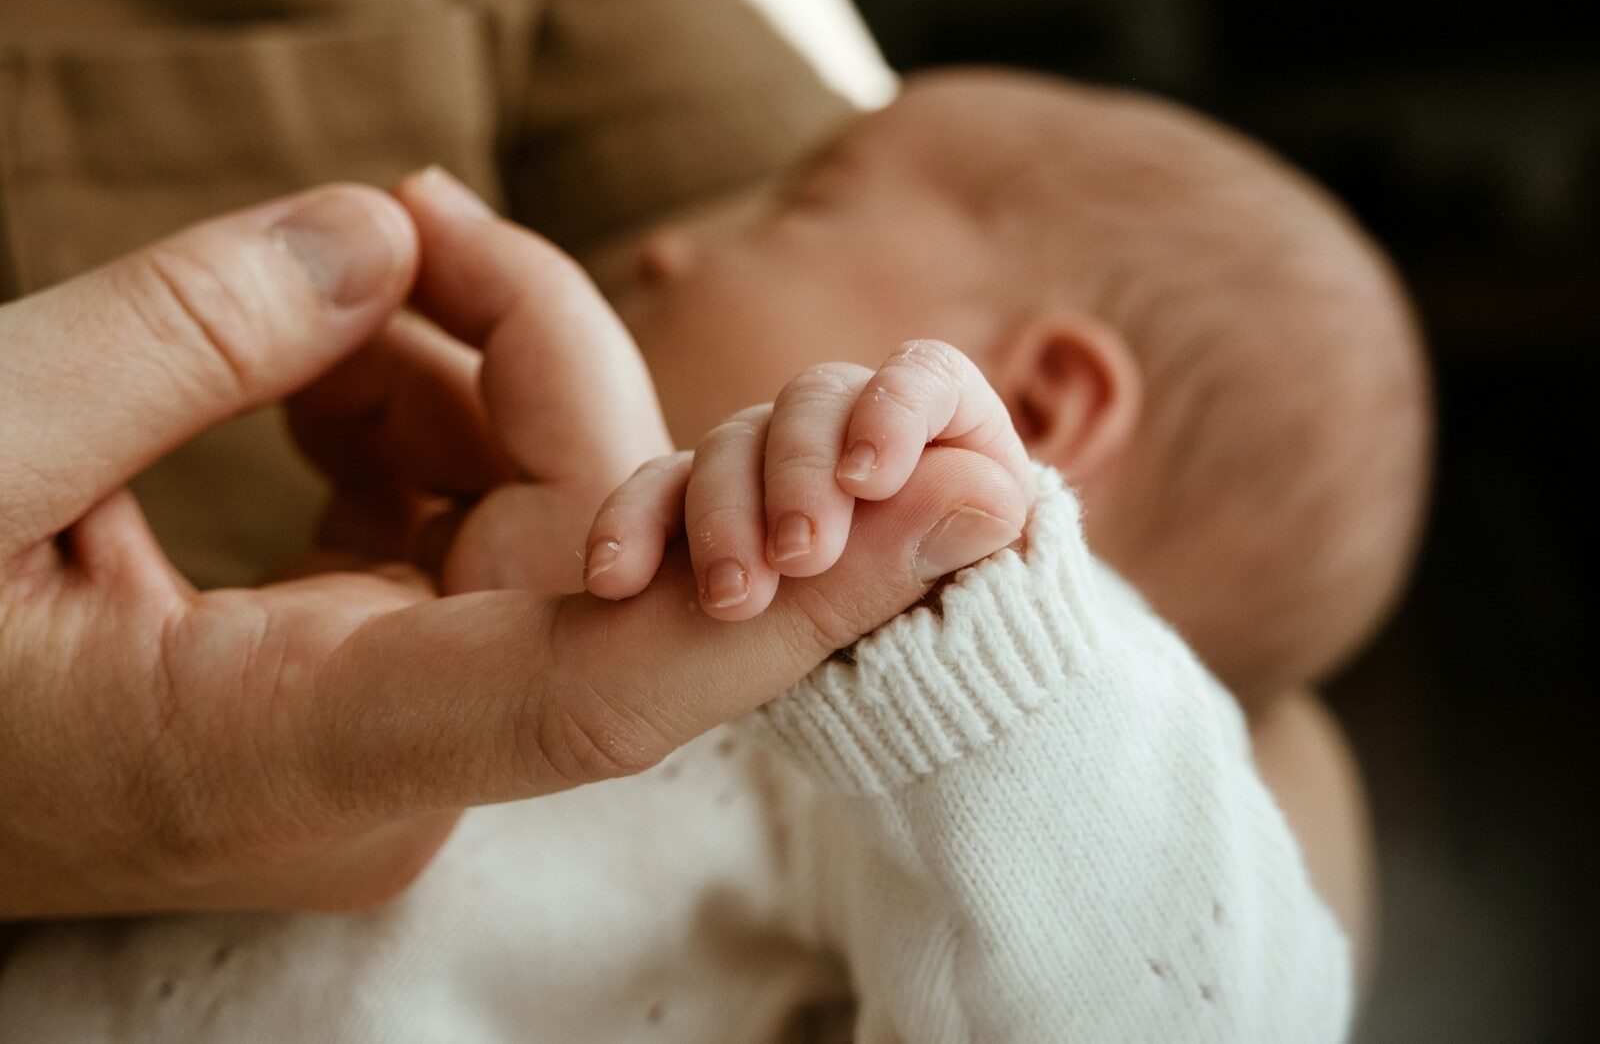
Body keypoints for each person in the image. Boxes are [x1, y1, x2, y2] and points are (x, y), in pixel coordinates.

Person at [0, 70, 1428, 1040]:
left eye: (797, 206)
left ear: (1042, 404)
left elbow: (1201, 1010)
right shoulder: (572, 570)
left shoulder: (937, 793)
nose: (669, 248)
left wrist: (974, 641)